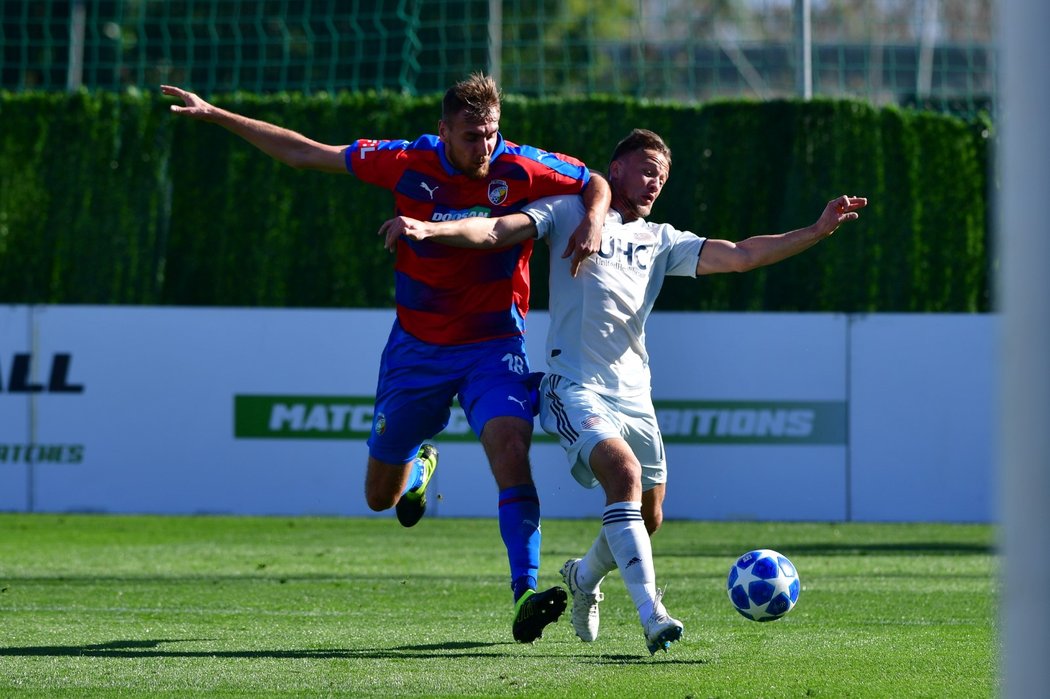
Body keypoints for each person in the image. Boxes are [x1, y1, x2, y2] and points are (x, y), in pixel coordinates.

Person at [378, 128, 867, 654]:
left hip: (636, 395)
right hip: (575, 386)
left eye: (664, 174)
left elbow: (743, 254)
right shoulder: (568, 211)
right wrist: (429, 231)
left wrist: (816, 231)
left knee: (649, 516)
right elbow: (498, 229)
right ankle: (652, 613)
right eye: (648, 167)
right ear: (616, 170)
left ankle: (584, 578)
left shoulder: (662, 240)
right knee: (625, 475)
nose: (656, 180)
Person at [161, 74, 612, 644]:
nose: (486, 148)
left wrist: (593, 217)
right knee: (381, 497)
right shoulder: (404, 161)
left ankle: (524, 591)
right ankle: (423, 463)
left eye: (493, 134)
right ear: (443, 130)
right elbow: (306, 154)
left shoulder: (520, 167)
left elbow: (592, 179)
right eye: (473, 136)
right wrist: (217, 112)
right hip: (416, 351)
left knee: (510, 447)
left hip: (494, 345)